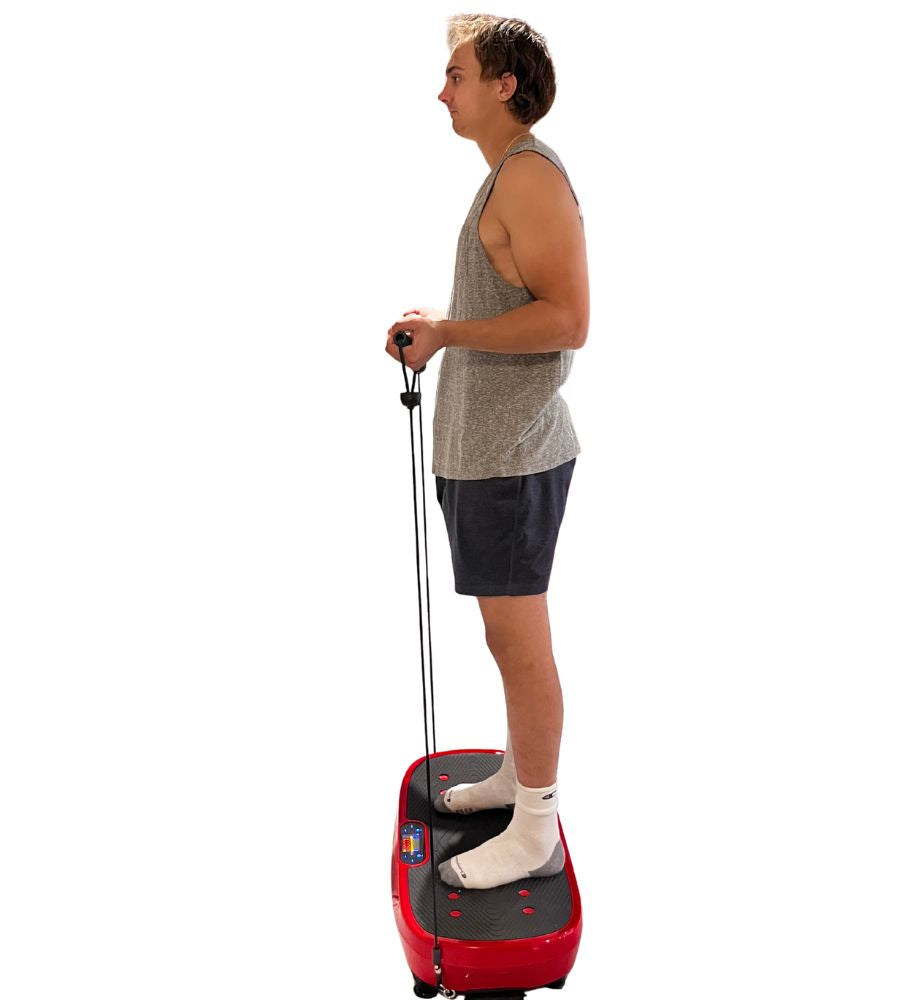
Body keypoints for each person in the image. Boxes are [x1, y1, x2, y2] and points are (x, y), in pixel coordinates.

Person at [384, 14, 588, 891]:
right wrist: (444, 327)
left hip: (510, 455)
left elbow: (568, 319)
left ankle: (534, 825)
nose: (442, 91)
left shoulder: (529, 176)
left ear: (505, 84)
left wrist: (449, 333)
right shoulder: (505, 177)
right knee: (508, 642)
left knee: (520, 646)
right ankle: (517, 776)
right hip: (486, 453)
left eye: (456, 75)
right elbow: (515, 300)